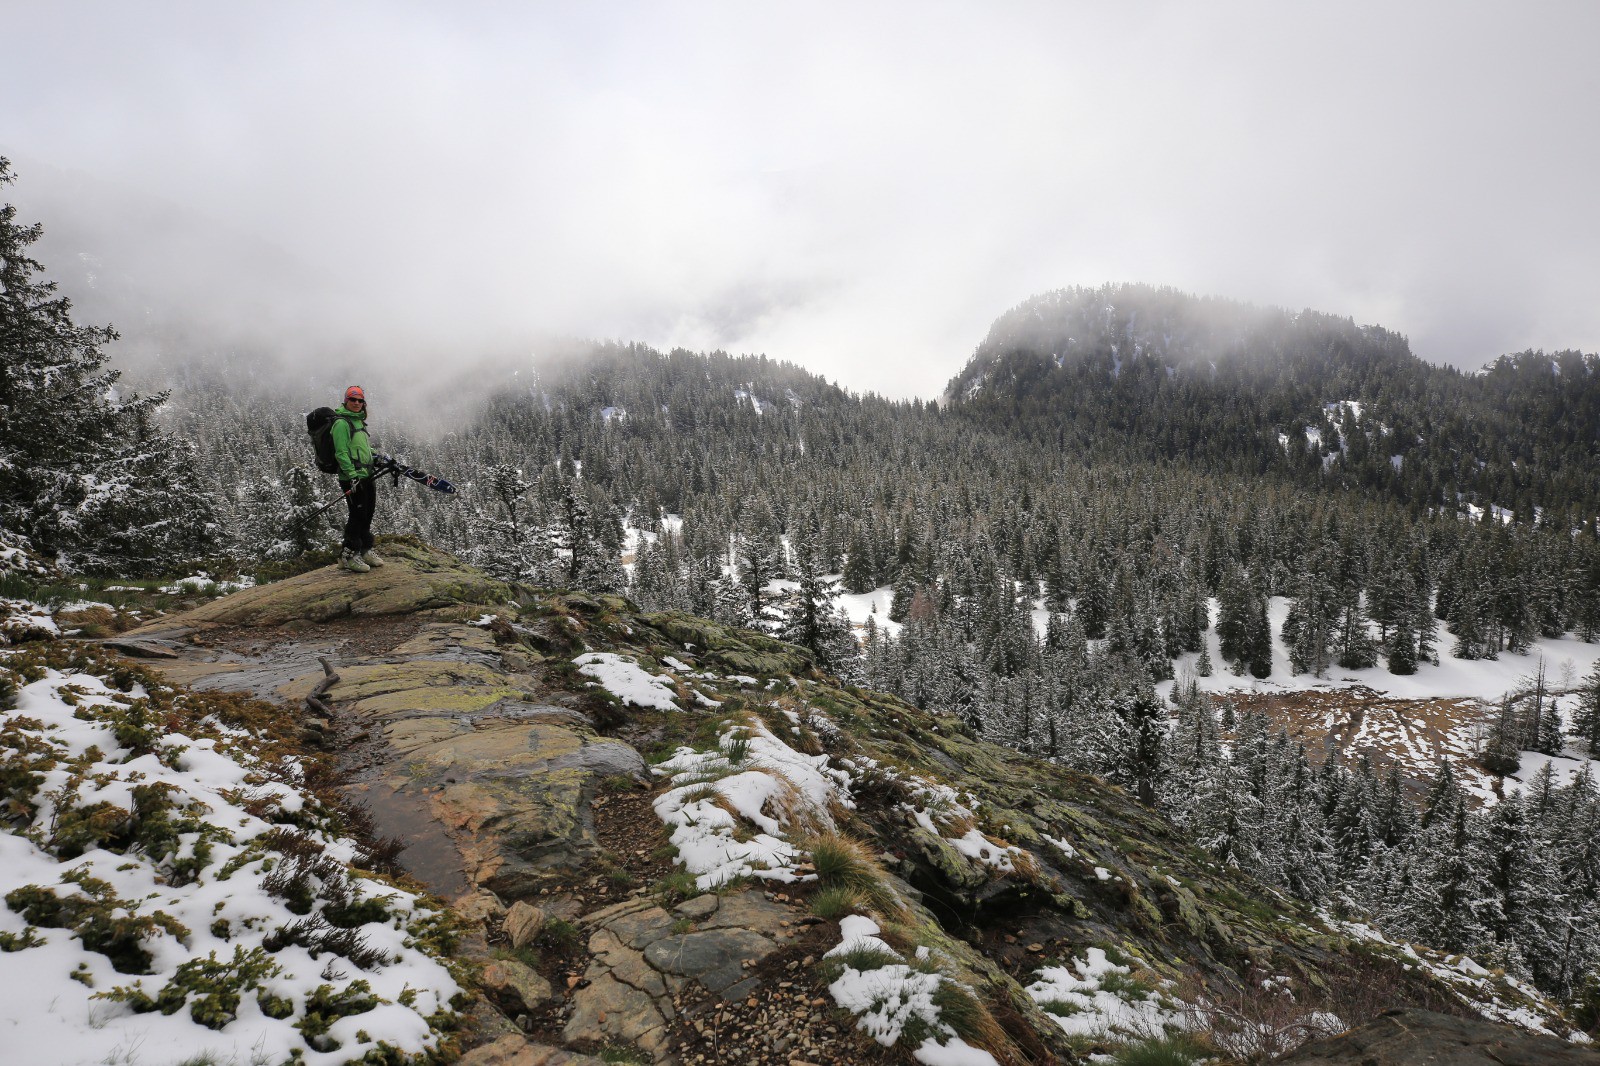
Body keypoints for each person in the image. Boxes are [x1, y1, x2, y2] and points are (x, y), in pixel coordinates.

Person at [331, 385, 384, 573]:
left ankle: (364, 550)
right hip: (352, 477)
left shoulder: (358, 422)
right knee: (357, 515)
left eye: (360, 400)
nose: (356, 403)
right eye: (352, 399)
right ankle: (348, 556)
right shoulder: (341, 423)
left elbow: (362, 448)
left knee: (368, 513)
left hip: (366, 475)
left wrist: (376, 456)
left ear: (363, 403)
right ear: (346, 401)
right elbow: (341, 452)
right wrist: (352, 475)